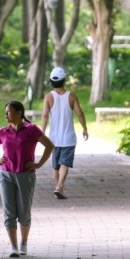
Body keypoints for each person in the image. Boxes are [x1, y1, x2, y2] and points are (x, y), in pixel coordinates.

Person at [0, 100, 55, 257]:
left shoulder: (32, 130)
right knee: (9, 212)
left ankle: (24, 242)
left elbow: (50, 145)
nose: (6, 114)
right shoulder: (3, 132)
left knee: (24, 212)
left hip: (25, 175)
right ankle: (14, 247)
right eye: (5, 112)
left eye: (9, 111)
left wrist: (38, 164)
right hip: (6, 175)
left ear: (19, 113)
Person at [40, 66, 88, 199]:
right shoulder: (71, 96)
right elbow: (80, 113)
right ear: (64, 80)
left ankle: (58, 188)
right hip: (68, 138)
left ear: (51, 81)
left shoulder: (48, 97)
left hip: (53, 139)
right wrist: (85, 128)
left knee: (56, 166)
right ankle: (59, 186)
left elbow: (44, 115)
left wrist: (42, 133)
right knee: (65, 163)